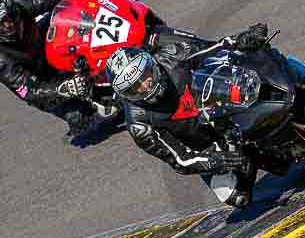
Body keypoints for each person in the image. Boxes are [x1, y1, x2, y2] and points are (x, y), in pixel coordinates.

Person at [106, 23, 270, 208]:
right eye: (135, 88)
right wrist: (214, 161)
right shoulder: (139, 124)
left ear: (151, 64)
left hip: (224, 109)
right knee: (236, 196)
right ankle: (259, 157)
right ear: (125, 95)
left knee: (253, 60)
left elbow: (211, 49)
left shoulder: (171, 55)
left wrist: (240, 40)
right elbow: (179, 160)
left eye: (145, 76)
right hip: (208, 147)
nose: (146, 86)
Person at [0, 0, 116, 136]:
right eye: (0, 25)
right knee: (81, 118)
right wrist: (65, 89)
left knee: (70, 11)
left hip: (43, 46)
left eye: (9, 17)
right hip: (43, 81)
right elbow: (31, 93)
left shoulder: (20, 6)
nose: (8, 25)